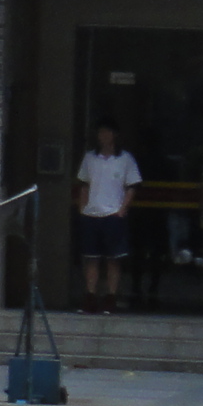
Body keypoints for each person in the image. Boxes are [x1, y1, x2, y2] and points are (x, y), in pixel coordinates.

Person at [75, 122, 141, 316]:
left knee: (113, 259)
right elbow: (84, 184)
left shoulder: (125, 159)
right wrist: (82, 209)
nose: (103, 136)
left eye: (107, 132)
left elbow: (132, 186)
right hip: (91, 214)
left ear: (115, 135)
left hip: (113, 215)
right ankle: (90, 296)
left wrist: (122, 209)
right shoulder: (90, 157)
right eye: (101, 132)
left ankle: (111, 297)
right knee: (91, 258)